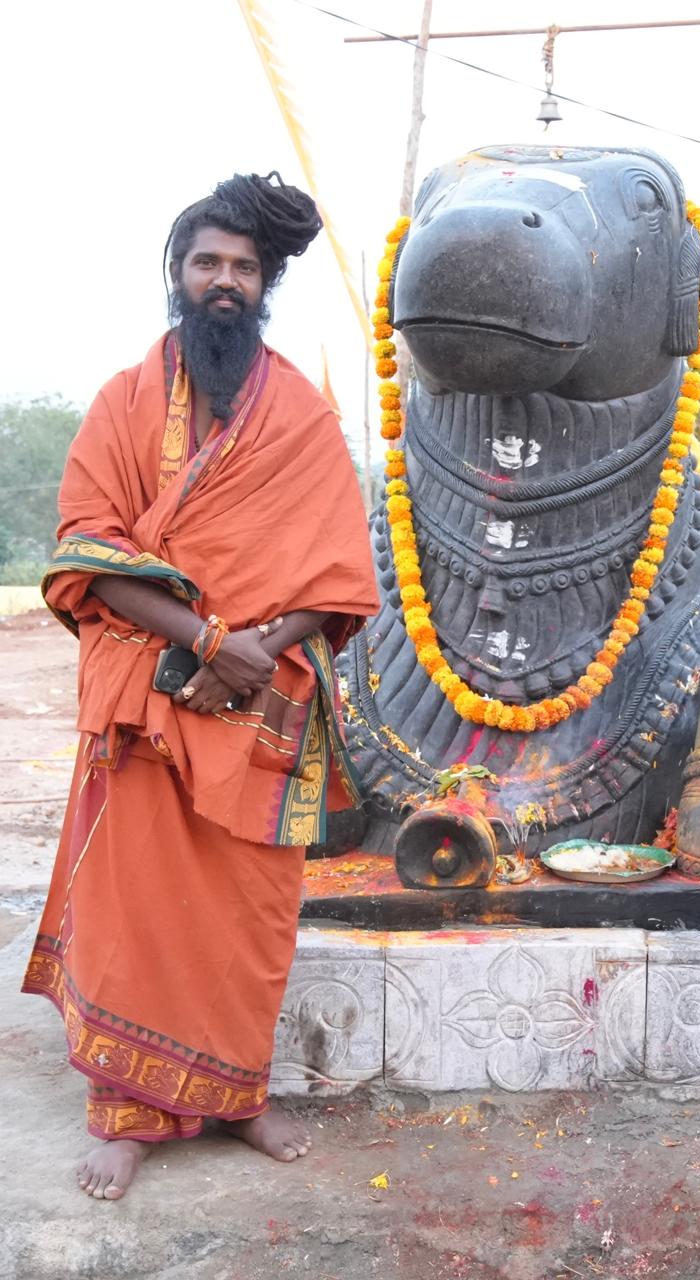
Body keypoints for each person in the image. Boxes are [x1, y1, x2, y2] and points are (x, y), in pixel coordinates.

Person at [21, 172, 379, 1201]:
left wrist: (260, 648)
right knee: (138, 907)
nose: (224, 280)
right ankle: (129, 1112)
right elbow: (87, 550)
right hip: (147, 696)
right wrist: (207, 636)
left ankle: (237, 1093)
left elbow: (339, 573)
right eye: (206, 263)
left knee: (248, 913)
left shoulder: (301, 414)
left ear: (264, 285)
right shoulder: (124, 402)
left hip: (258, 703)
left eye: (243, 267)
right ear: (177, 276)